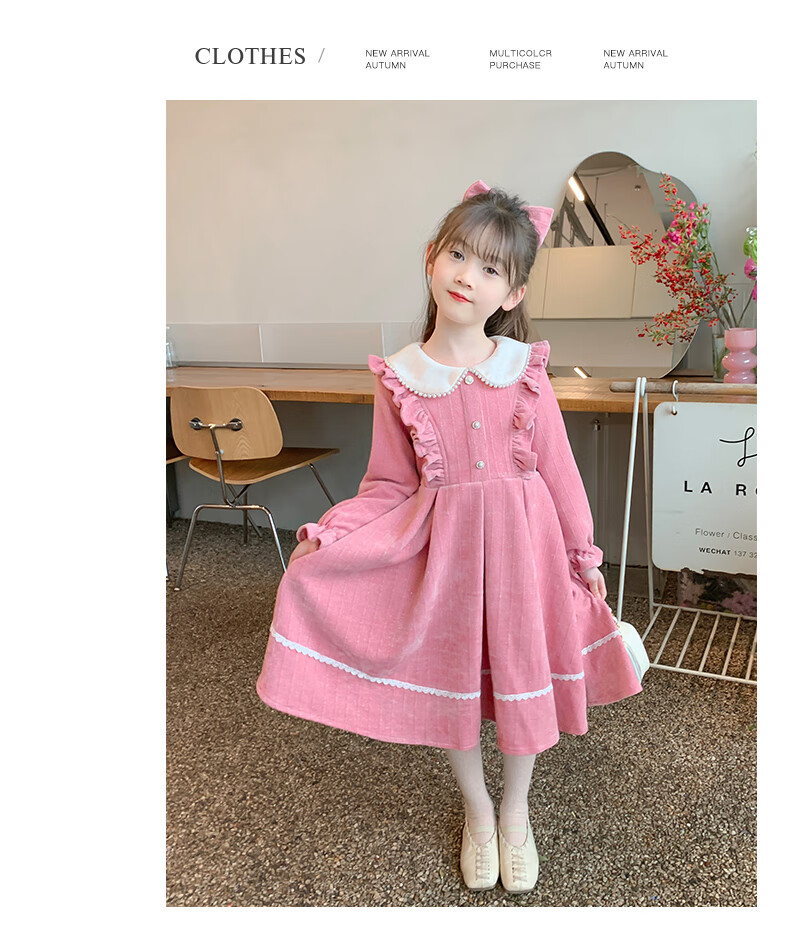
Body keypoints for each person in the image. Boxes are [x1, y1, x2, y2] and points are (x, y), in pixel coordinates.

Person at [256, 180, 642, 894]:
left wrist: (581, 554)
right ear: (431, 257)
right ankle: (478, 811)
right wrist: (332, 533)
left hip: (525, 553)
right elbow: (387, 484)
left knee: (524, 672)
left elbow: (559, 470)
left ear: (512, 293)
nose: (468, 275)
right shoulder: (401, 377)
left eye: (491, 267)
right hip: (448, 558)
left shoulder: (524, 369)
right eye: (459, 254)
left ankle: (516, 812)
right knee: (453, 679)